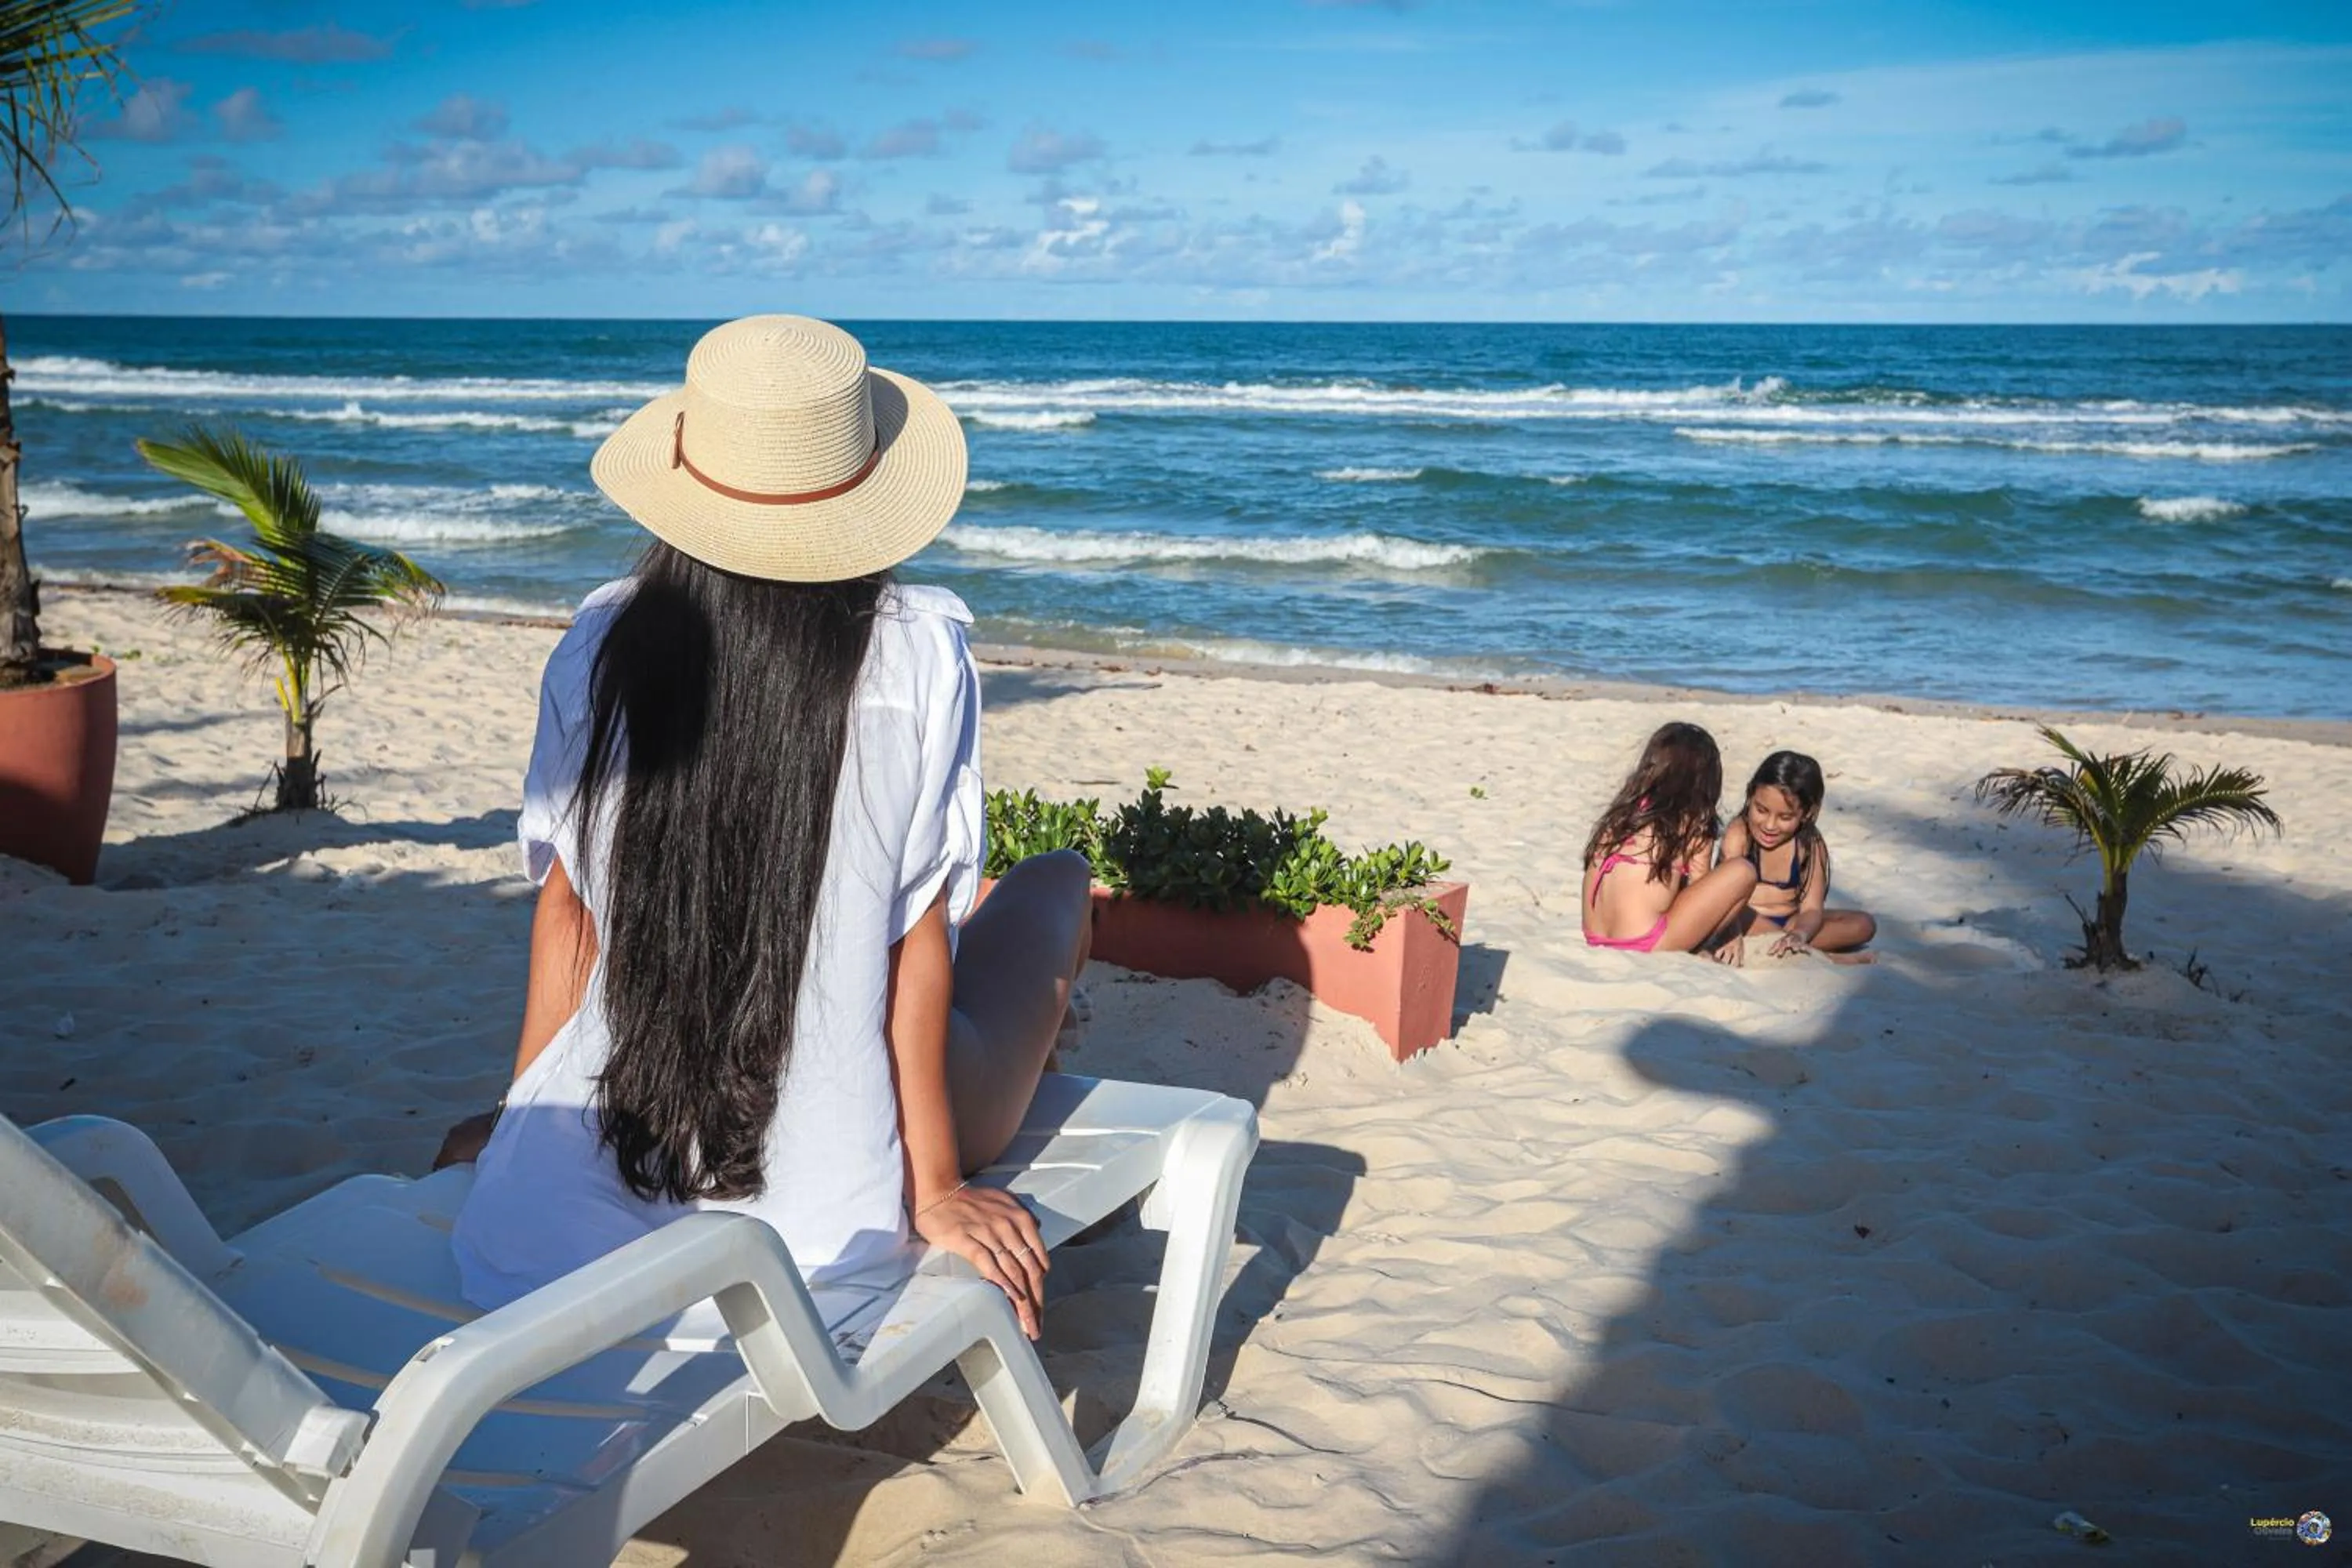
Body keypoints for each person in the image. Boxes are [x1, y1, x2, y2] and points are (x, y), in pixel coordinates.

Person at [446, 315, 1086, 1341]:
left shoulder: (601, 646)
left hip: (600, 1167)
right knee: (1056, 882)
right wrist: (936, 1190)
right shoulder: (918, 658)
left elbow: (569, 919)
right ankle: (1052, 1042)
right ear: (863, 490)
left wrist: (528, 1120)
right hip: (829, 1188)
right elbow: (916, 947)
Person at [1580, 721, 1758, 954]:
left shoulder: (1621, 816)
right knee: (1742, 871)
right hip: (1644, 942)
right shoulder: (1693, 822)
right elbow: (1700, 887)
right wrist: (1730, 931)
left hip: (1595, 938)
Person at [1712, 750, 1877, 965]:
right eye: (1761, 810)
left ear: (1806, 813)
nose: (1770, 825)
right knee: (1736, 912)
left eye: (1785, 817)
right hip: (1742, 920)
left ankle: (1793, 945)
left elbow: (1811, 908)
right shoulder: (1739, 833)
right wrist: (1732, 934)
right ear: (1751, 796)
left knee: (1864, 924)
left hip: (1789, 922)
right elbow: (1725, 898)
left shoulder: (1809, 844)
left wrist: (1800, 933)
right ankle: (1823, 957)